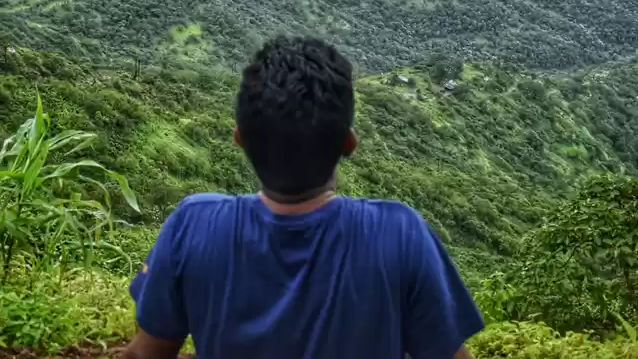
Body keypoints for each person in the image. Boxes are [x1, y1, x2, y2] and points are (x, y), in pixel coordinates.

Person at [124, 36, 484, 359]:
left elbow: (146, 353)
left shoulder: (193, 225)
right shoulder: (401, 234)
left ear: (240, 139)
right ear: (349, 143)